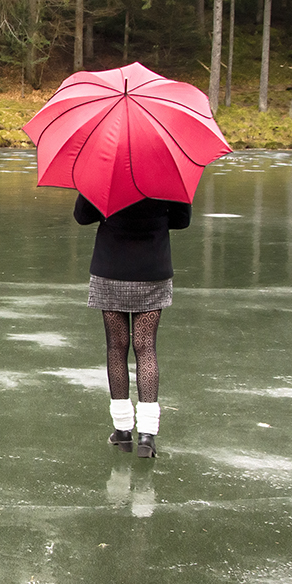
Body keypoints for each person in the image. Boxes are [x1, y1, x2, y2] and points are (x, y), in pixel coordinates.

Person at [74, 194, 192, 458]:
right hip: (153, 270)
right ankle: (147, 435)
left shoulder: (104, 167)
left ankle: (123, 431)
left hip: (110, 269)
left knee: (116, 348)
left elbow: (82, 217)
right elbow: (182, 220)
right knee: (146, 347)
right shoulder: (166, 175)